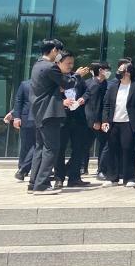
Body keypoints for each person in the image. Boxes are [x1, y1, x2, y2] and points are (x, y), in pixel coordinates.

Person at [29, 39, 89, 194]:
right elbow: (67, 83)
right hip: (50, 113)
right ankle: (42, 185)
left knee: (40, 148)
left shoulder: (37, 65)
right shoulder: (50, 67)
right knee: (51, 149)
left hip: (39, 112)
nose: (59, 55)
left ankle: (33, 183)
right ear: (54, 50)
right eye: (59, 51)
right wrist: (78, 75)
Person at [102, 62, 135, 188]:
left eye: (121, 70)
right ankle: (112, 177)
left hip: (129, 123)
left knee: (128, 149)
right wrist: (105, 120)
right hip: (113, 122)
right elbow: (106, 105)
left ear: (128, 72)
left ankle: (129, 178)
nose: (118, 72)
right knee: (112, 149)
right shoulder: (113, 87)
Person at [54, 51, 91, 189]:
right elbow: (50, 96)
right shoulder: (55, 77)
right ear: (59, 63)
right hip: (62, 118)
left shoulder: (77, 77)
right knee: (60, 149)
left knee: (79, 148)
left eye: (72, 63)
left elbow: (88, 91)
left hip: (78, 117)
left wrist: (83, 99)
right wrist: (62, 102)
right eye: (67, 63)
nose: (70, 66)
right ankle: (59, 178)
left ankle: (74, 177)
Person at [83, 63, 110, 181]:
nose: (108, 72)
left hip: (99, 120)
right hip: (94, 120)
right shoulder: (94, 84)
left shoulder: (105, 84)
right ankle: (98, 170)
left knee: (99, 145)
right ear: (100, 70)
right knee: (97, 144)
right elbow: (94, 104)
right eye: (107, 70)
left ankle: (98, 169)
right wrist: (96, 121)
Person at [10, 80, 35, 181]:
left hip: (41, 118)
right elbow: (18, 101)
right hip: (26, 119)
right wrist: (16, 117)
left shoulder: (47, 83)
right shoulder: (25, 84)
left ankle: (23, 170)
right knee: (26, 145)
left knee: (38, 145)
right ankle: (22, 168)